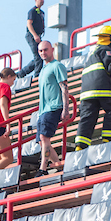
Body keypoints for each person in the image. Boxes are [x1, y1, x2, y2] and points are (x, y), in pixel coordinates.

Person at [35, 41, 70, 172]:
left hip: (54, 107)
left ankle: (43, 168)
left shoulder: (57, 66)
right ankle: (58, 164)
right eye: (40, 51)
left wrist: (66, 109)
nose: (43, 53)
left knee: (44, 138)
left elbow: (64, 87)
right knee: (42, 141)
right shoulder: (43, 69)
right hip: (43, 110)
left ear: (52, 50)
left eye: (45, 50)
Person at [19, 0, 46, 77]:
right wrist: (35, 35)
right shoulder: (32, 11)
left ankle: (21, 73)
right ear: (36, 0)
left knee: (39, 57)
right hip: (32, 35)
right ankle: (37, 75)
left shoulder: (41, 12)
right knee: (38, 56)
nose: (42, 1)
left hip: (38, 35)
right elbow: (29, 24)